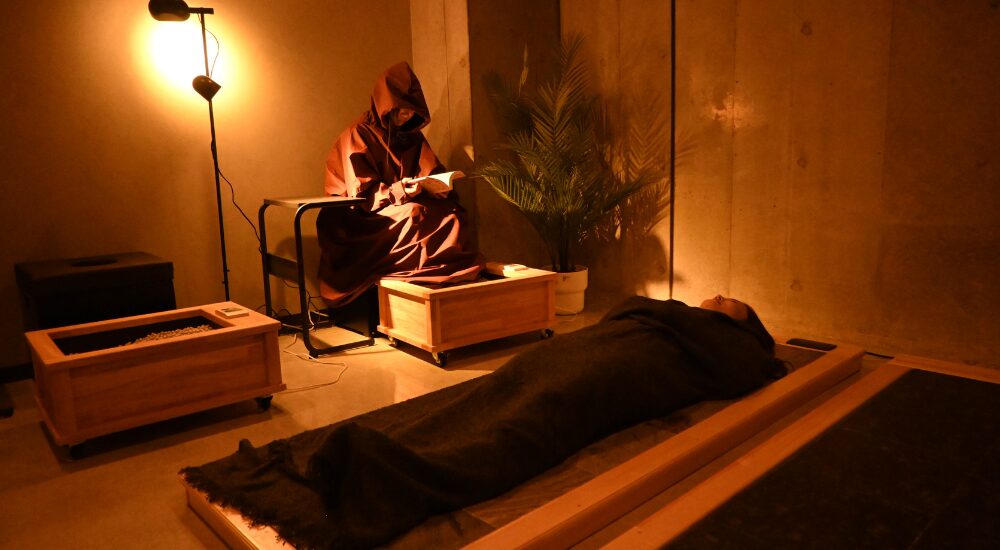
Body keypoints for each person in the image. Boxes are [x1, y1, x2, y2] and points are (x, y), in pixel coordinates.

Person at [183, 294, 786, 549]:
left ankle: (401, 468)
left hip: (618, 370)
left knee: (535, 414)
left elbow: (751, 367)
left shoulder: (721, 343)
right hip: (588, 349)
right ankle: (392, 447)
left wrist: (741, 343)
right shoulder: (667, 311)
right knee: (496, 389)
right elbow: (626, 311)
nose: (715, 297)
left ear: (737, 322)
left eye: (726, 302)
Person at [316, 61, 484, 307]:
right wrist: (401, 190)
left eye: (412, 111)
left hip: (401, 202)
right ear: (386, 106)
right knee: (415, 214)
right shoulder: (358, 134)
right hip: (362, 216)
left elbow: (429, 168)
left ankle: (443, 279)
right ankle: (419, 279)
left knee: (452, 214)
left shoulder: (410, 135)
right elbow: (362, 194)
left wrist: (438, 186)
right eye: (402, 110)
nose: (408, 116)